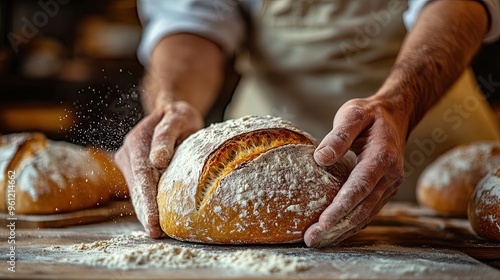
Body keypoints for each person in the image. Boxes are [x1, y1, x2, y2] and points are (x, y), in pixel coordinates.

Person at [115, 0, 500, 247]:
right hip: (250, 167)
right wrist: (173, 101)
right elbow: (192, 18)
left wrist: (400, 102)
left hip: (430, 126)